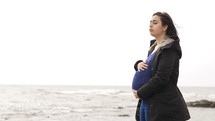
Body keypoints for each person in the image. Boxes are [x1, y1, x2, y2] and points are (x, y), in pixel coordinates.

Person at [132, 12, 190, 121]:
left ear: (164, 27)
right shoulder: (154, 47)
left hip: (164, 106)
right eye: (150, 22)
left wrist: (140, 93)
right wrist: (138, 64)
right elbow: (150, 68)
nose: (150, 25)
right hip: (149, 102)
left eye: (155, 23)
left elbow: (161, 78)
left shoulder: (170, 49)